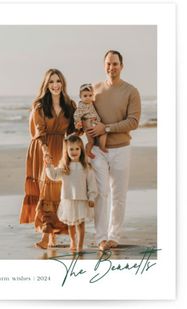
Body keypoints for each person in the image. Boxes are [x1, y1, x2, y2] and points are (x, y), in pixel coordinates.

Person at [87, 50, 141, 251]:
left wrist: (106, 128)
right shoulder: (95, 89)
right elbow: (87, 115)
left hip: (122, 149)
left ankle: (114, 236)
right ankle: (101, 237)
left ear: (122, 66)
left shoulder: (131, 91)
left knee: (118, 195)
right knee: (101, 193)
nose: (112, 67)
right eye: (108, 64)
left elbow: (133, 122)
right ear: (104, 65)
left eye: (115, 64)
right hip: (98, 151)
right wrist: (88, 141)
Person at [19, 68, 77, 249]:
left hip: (62, 148)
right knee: (46, 191)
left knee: (58, 191)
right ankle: (46, 234)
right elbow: (39, 132)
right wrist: (45, 151)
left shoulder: (70, 105)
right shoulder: (39, 107)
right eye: (51, 81)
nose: (55, 85)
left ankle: (52, 235)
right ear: (46, 85)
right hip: (42, 149)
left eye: (58, 81)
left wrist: (82, 127)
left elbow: (73, 131)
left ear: (63, 83)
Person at [45, 135, 97, 252]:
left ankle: (80, 246)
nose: (74, 152)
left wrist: (92, 197)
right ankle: (73, 241)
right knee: (71, 224)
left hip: (82, 199)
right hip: (68, 199)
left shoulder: (86, 166)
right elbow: (53, 176)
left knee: (81, 224)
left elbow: (91, 183)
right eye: (71, 149)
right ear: (66, 151)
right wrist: (48, 165)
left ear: (81, 150)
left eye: (77, 149)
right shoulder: (64, 167)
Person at [74, 83, 107, 158]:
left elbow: (94, 112)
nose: (88, 98)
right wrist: (78, 122)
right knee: (91, 141)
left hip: (95, 123)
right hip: (89, 126)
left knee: (104, 133)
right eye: (85, 96)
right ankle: (88, 151)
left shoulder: (91, 103)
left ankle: (102, 146)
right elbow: (76, 115)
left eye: (90, 95)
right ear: (80, 97)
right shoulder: (81, 106)